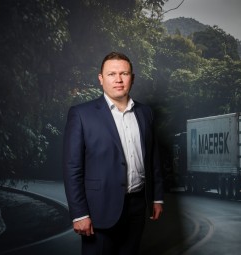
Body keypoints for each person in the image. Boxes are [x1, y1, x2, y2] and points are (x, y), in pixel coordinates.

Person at [62, 52, 164, 255]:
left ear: (132, 78)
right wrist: (79, 214)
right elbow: (72, 167)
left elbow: (153, 157)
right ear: (101, 79)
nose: (118, 79)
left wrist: (157, 198)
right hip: (98, 210)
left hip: (137, 206)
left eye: (124, 73)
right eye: (111, 74)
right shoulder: (81, 114)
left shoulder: (145, 113)